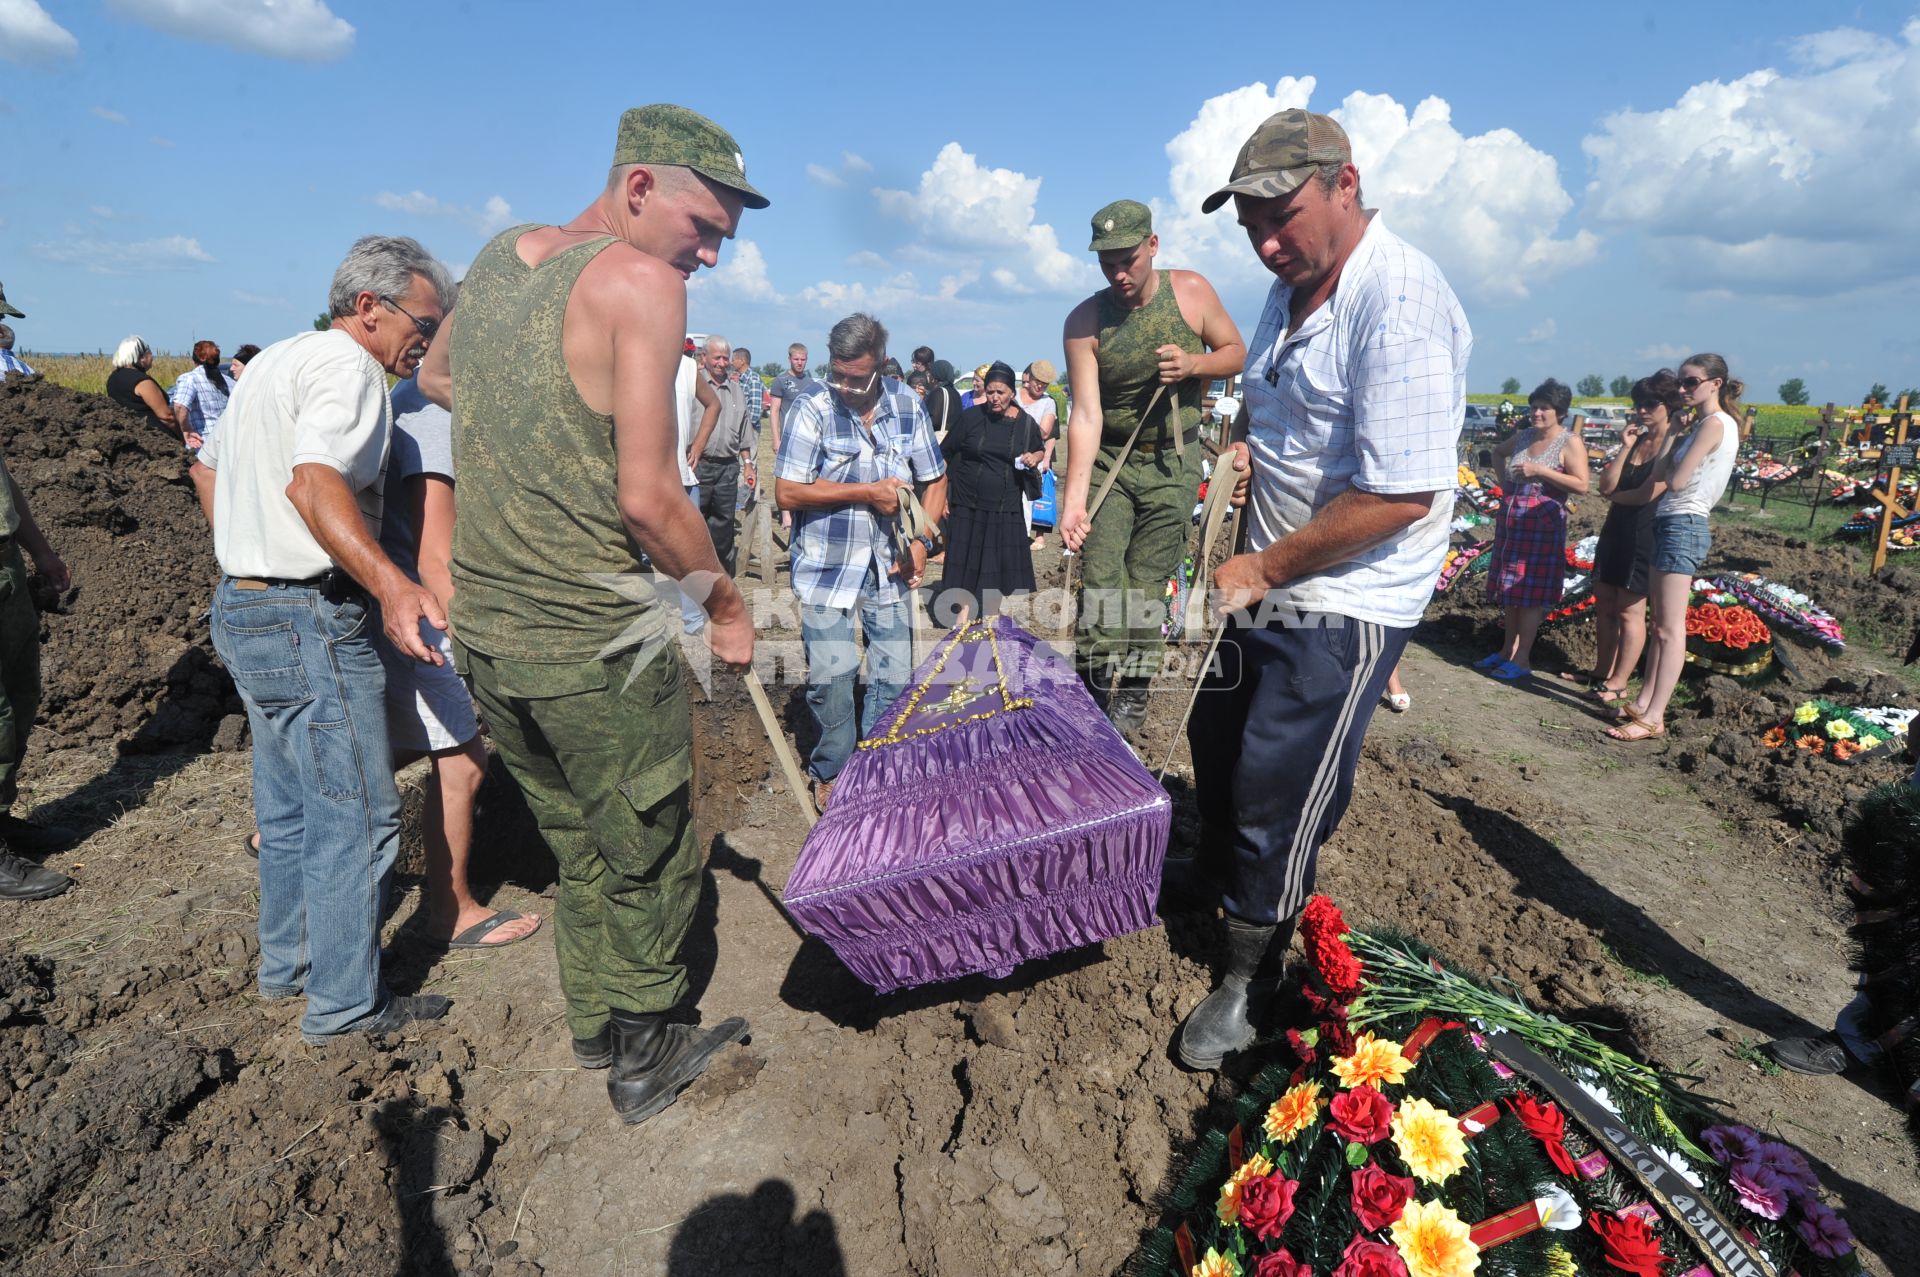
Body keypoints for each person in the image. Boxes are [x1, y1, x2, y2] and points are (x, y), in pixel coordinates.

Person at [420, 103, 763, 1126]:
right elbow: (652, 498)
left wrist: (533, 433)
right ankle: (648, 1045)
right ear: (640, 186)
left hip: (489, 635)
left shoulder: (496, 257)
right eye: (703, 227)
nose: (706, 255)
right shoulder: (639, 281)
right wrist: (727, 604)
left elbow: (437, 373)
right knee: (652, 841)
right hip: (593, 641)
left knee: (578, 839)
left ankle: (594, 1023)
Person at [1175, 108, 1470, 1070]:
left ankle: (1253, 970)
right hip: (1270, 567)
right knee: (1214, 741)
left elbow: (1398, 494)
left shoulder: (1401, 300)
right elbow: (1282, 406)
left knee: (1279, 781)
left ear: (1346, 184)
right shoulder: (1292, 281)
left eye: (1282, 216)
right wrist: (1244, 449)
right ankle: (1220, 876)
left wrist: (1263, 566)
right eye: (1249, 224)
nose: (1265, 242)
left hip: (1345, 593)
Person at [191, 235, 456, 1044]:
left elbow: (208, 468)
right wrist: (391, 582)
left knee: (291, 805)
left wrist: (252, 557)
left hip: (244, 606)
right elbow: (313, 480)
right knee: (363, 813)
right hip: (309, 615)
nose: (429, 339)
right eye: (424, 319)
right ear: (368, 307)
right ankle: (344, 1007)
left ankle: (289, 966)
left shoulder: (274, 361)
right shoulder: (349, 370)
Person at [1058, 198, 1246, 735]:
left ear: (1152, 246)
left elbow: (1235, 351)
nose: (1119, 273)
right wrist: (1073, 502)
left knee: (1144, 587)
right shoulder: (1084, 322)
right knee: (1100, 585)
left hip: (1174, 463)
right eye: (1107, 263)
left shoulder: (1190, 293)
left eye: (1129, 260)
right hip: (1111, 465)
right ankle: (1090, 702)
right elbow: (1086, 415)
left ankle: (1134, 694)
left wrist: (1195, 364)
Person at [378, 372, 544, 950]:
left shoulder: (420, 399)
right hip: (426, 610)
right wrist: (478, 653)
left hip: (410, 603)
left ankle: (284, 827)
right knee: (466, 760)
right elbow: (435, 552)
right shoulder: (431, 412)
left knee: (410, 738)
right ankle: (451, 910)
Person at [774, 313, 948, 810]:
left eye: (858, 378)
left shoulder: (906, 403)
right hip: (826, 567)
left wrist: (921, 543)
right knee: (834, 676)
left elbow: (935, 479)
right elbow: (788, 489)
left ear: (880, 366)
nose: (846, 387)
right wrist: (866, 493)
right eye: (839, 375)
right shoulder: (812, 406)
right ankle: (832, 768)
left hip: (890, 566)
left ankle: (873, 771)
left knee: (893, 676)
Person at [1607, 353, 1742, 743]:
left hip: (1684, 522)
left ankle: (1654, 715)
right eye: (1682, 383)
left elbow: (1677, 482)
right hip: (1672, 522)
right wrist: (1671, 435)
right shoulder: (1701, 424)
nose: (1683, 390)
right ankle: (1646, 703)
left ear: (1715, 383)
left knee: (1668, 629)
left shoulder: (1715, 425)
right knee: (1660, 625)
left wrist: (1680, 445)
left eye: (1691, 382)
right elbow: (1660, 473)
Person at [1558, 369, 1682, 702]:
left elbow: (1646, 494)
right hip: (1616, 528)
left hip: (1645, 531)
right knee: (1605, 604)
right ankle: (1601, 672)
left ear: (1668, 404)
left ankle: (1620, 681)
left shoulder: (1672, 445)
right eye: (1639, 402)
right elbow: (1606, 485)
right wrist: (1625, 447)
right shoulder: (1639, 440)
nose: (1643, 409)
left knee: (1630, 610)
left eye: (1651, 402)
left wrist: (1612, 496)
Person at [0, 435, 75, 901]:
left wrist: (41, 552)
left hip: (5, 566)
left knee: (21, 695)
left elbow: (4, 484)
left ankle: (0, 819)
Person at [1477, 379, 1588, 681]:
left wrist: (1540, 471)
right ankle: (1506, 652)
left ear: (1560, 412)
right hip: (1513, 523)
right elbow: (1498, 453)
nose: (1537, 413)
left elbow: (1582, 485)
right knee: (1511, 591)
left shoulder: (1569, 442)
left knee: (1531, 594)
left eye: (1544, 409)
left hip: (1542, 524)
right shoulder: (1524, 435)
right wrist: (1506, 486)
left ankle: (1523, 658)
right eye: (1534, 407)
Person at [938, 361, 1044, 621]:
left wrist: (1034, 457)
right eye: (990, 391)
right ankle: (962, 617)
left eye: (1001, 392)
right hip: (966, 502)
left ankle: (990, 618)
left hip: (1004, 505)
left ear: (1012, 392)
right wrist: (941, 496)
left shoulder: (1025, 423)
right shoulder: (970, 418)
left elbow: (1039, 448)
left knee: (994, 562)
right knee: (965, 559)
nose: (995, 398)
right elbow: (946, 455)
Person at [694, 335, 751, 574]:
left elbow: (744, 432)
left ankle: (722, 579)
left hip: (728, 468)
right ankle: (695, 577)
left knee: (724, 524)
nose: (721, 362)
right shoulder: (694, 385)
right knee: (695, 523)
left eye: (725, 358)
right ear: (704, 357)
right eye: (716, 357)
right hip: (698, 465)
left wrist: (748, 464)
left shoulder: (736, 390)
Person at [106, 336, 185, 441]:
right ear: (141, 357)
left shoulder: (113, 378)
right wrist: (183, 436)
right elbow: (166, 416)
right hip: (157, 438)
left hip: (131, 435)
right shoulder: (142, 382)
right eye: (149, 352)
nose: (152, 357)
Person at [1018, 359, 1060, 544]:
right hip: (1006, 454)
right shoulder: (1014, 396)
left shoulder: (1048, 403)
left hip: (1032, 457)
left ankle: (1023, 538)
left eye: (1045, 383)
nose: (1040, 386)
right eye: (1038, 381)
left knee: (1027, 501)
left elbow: (1045, 432)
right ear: (1029, 378)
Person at [169, 339, 232, 451]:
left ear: (194, 359)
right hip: (228, 441)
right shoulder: (230, 382)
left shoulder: (190, 379)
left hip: (202, 443)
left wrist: (186, 429)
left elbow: (179, 406)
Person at [766, 342, 819, 455]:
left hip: (807, 438)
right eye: (796, 359)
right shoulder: (780, 380)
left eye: (803, 359)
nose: (799, 363)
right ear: (789, 359)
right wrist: (776, 439)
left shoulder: (811, 383)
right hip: (787, 437)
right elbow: (774, 411)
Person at [924, 358, 963, 443]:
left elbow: (934, 420)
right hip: (953, 439)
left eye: (930, 373)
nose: (929, 376)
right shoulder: (955, 392)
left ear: (936, 374)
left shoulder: (939, 392)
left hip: (939, 440)